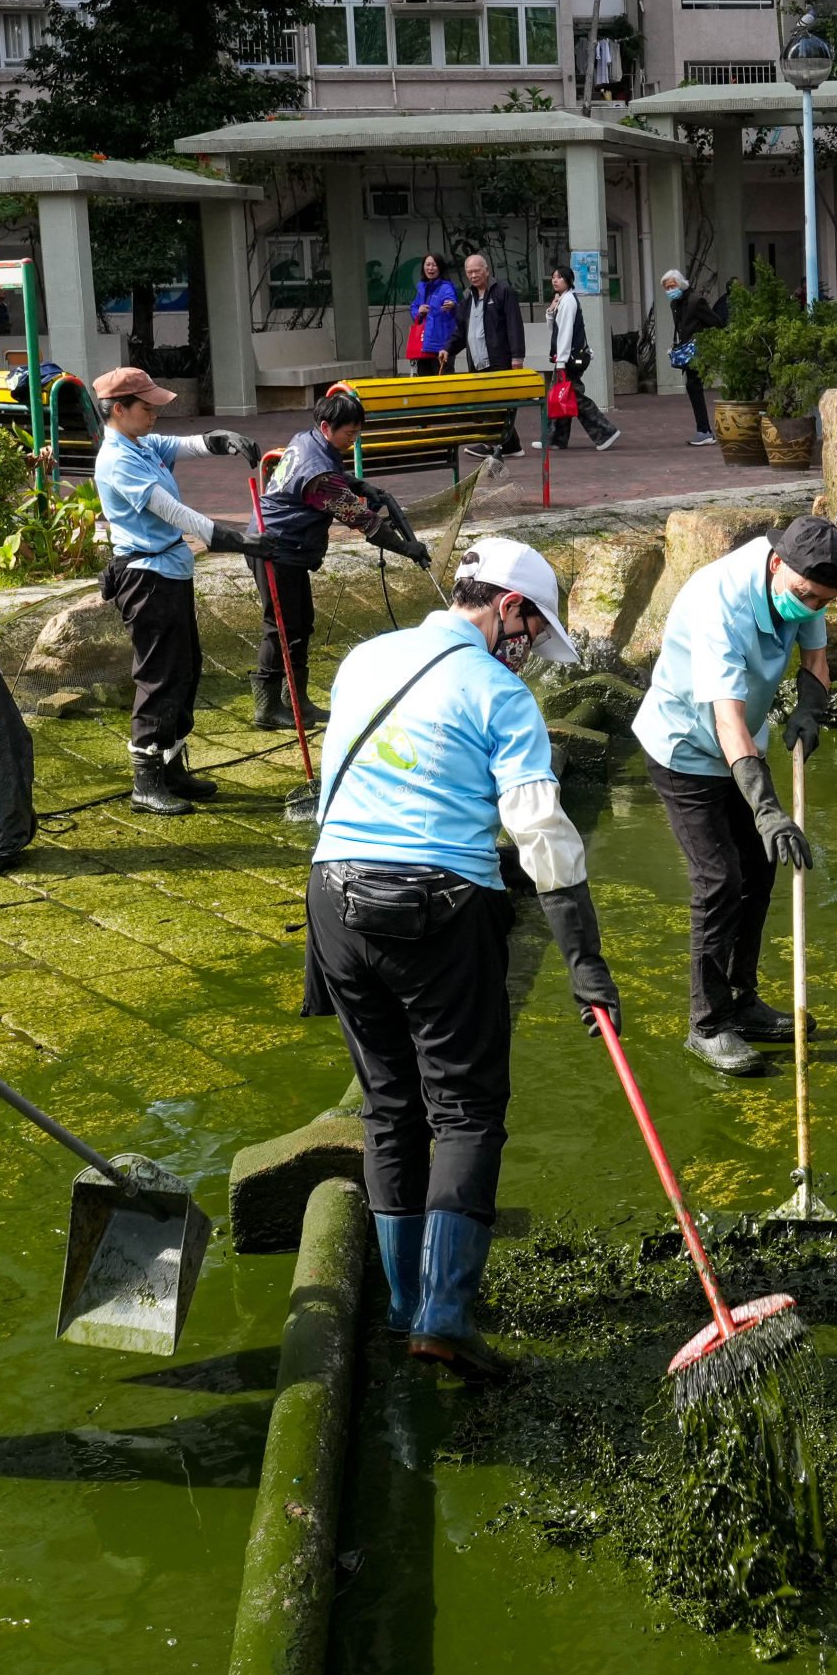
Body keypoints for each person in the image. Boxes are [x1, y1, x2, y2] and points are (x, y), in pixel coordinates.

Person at [301, 537, 619, 1378]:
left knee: (388, 1104)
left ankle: (406, 1303)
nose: (527, 653)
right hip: (438, 907)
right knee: (466, 1109)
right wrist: (587, 966)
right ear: (507, 606)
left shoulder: (364, 658)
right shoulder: (498, 693)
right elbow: (542, 837)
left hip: (333, 899)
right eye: (529, 631)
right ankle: (442, 1314)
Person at [633, 515, 837, 1073]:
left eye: (822, 601)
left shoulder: (805, 590)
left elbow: (815, 657)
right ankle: (706, 1025)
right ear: (778, 565)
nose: (812, 607)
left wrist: (810, 708)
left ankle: (742, 1000)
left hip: (741, 744)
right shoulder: (719, 604)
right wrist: (767, 808)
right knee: (719, 879)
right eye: (806, 596)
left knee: (759, 869)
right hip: (686, 748)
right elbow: (725, 718)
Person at [91, 364, 264, 815]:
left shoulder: (141, 443)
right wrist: (231, 538)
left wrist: (222, 439)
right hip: (145, 578)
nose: (155, 415)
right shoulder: (117, 459)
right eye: (147, 407)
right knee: (158, 675)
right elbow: (171, 511)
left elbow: (185, 445)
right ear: (119, 409)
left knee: (186, 667)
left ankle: (172, 765)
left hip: (169, 569)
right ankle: (145, 782)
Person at [249, 384, 433, 730]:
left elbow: (336, 478)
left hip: (289, 547)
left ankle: (296, 701)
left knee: (302, 623)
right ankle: (267, 707)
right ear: (326, 428)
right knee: (281, 628)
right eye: (350, 434)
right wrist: (407, 548)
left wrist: (359, 485)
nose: (354, 440)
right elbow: (365, 522)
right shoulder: (320, 475)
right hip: (274, 547)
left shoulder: (305, 439)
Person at [541, 262, 621, 452]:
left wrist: (561, 360)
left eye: (559, 277)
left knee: (573, 398)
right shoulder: (563, 300)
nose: (555, 280)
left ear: (568, 281)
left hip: (567, 359)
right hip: (566, 358)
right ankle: (555, 439)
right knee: (561, 397)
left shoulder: (568, 301)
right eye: (553, 277)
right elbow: (556, 329)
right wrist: (551, 312)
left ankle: (605, 432)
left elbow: (566, 332)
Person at [460, 250, 528, 373]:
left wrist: (517, 357)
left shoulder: (503, 290)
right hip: (476, 365)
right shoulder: (467, 296)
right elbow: (460, 329)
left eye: (477, 271)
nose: (473, 275)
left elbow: (514, 325)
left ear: (486, 270)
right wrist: (447, 349)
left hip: (500, 362)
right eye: (469, 272)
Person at [664, 270, 711, 438]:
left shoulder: (695, 301)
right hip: (686, 350)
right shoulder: (675, 304)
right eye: (667, 288)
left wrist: (701, 339)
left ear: (681, 284)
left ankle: (704, 430)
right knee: (692, 387)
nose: (669, 290)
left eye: (672, 286)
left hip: (697, 349)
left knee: (693, 385)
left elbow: (714, 322)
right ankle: (703, 430)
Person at [407, 254, 463, 375]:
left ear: (440, 267)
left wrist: (451, 304)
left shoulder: (446, 287)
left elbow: (452, 302)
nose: (430, 268)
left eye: (434, 265)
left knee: (444, 384)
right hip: (424, 346)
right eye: (427, 265)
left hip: (441, 345)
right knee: (425, 385)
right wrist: (419, 311)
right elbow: (414, 307)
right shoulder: (422, 287)